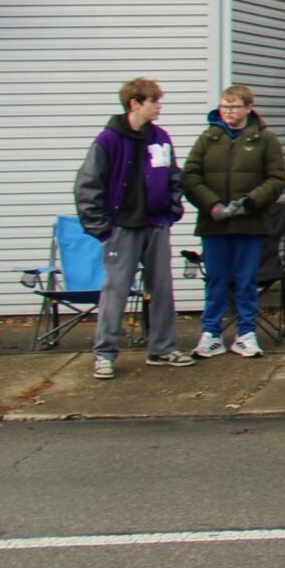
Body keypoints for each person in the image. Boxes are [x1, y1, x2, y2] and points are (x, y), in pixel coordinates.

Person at [73, 78, 189, 378]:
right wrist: (102, 229)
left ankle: (162, 348)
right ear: (135, 103)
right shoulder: (107, 140)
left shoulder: (160, 137)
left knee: (162, 287)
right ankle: (104, 354)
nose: (159, 105)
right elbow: (87, 185)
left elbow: (174, 176)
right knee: (116, 290)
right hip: (121, 228)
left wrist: (173, 209)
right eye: (154, 101)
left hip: (155, 224)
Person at [181, 83, 285, 359]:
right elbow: (190, 176)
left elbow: (276, 179)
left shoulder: (265, 139)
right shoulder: (208, 138)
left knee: (245, 280)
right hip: (214, 224)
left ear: (249, 108)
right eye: (224, 106)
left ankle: (246, 333)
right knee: (216, 280)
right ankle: (211, 334)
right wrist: (211, 205)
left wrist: (250, 202)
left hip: (250, 224)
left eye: (234, 106)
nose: (228, 112)